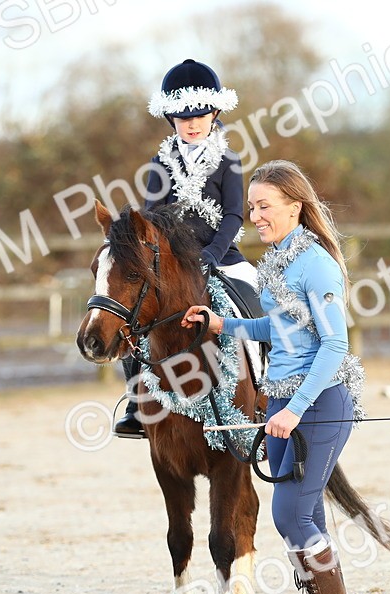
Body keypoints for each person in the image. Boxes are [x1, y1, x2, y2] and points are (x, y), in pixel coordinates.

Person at [181, 160, 368, 594]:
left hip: (320, 401)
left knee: (289, 514)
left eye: (264, 206)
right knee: (302, 517)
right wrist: (223, 324)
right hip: (283, 402)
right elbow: (277, 328)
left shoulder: (316, 264)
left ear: (295, 206)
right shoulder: (277, 260)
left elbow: (334, 345)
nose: (254, 216)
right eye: (251, 207)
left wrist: (297, 410)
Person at [114, 58, 255, 439]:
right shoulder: (160, 163)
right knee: (137, 317)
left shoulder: (229, 161)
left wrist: (212, 254)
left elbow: (233, 215)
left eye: (200, 116)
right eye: (183, 117)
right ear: (171, 119)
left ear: (215, 114)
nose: (192, 124)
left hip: (221, 256)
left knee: (257, 296)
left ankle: (269, 384)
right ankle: (136, 405)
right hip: (172, 263)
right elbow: (151, 217)